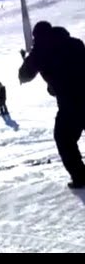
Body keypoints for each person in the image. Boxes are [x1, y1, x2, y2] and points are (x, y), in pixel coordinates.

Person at [19, 21, 85, 189]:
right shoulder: (75, 43)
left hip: (71, 103)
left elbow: (24, 75)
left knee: (64, 138)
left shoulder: (40, 51)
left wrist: (29, 58)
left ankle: (81, 177)